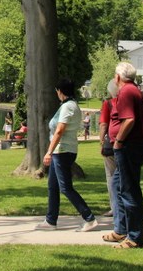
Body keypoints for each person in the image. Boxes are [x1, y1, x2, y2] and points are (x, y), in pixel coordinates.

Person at [35, 78, 98, 232]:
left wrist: (49, 151)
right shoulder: (68, 105)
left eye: (57, 91)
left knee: (65, 188)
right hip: (61, 151)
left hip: (63, 151)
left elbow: (59, 130)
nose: (56, 93)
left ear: (60, 91)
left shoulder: (68, 107)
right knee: (53, 186)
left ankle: (89, 218)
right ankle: (51, 221)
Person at [103, 61, 143, 249]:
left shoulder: (126, 92)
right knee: (117, 184)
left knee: (129, 191)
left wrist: (119, 141)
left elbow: (129, 120)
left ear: (117, 77)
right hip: (131, 146)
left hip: (129, 147)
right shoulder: (132, 91)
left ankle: (135, 237)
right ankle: (121, 229)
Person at [99, 78, 119, 218]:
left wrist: (101, 140)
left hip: (111, 144)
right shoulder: (127, 102)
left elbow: (103, 124)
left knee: (111, 177)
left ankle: (115, 206)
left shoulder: (108, 104)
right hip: (126, 144)